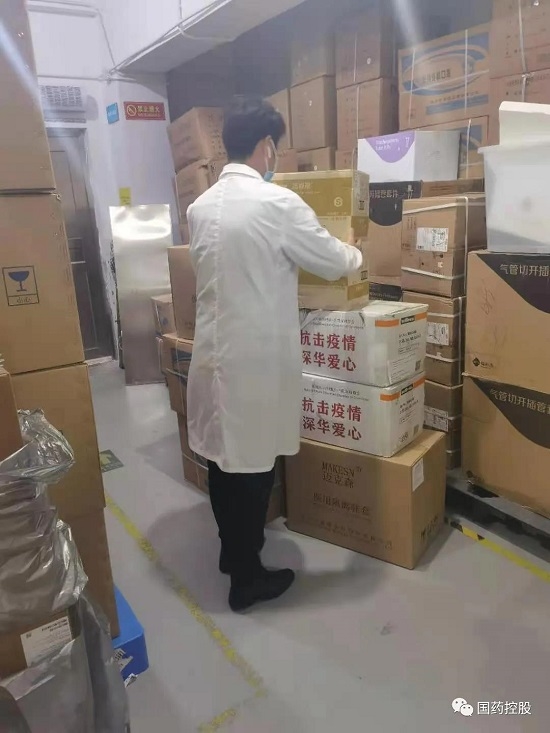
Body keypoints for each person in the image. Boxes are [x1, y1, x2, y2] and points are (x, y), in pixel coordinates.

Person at [186, 96, 362, 612]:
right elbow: (332, 261)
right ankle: (246, 579)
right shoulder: (276, 203)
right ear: (267, 146)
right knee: (255, 469)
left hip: (213, 355)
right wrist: (358, 250)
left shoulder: (200, 207)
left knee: (223, 461)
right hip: (255, 362)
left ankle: (231, 553)